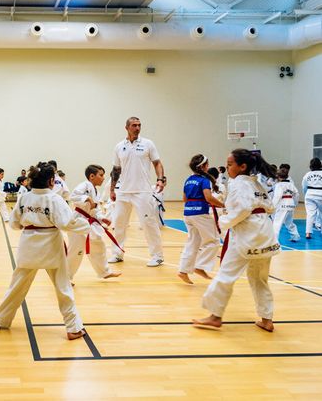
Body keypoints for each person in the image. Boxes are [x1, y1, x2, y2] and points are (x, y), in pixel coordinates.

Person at [0, 163, 89, 340]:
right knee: (63, 286)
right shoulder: (54, 199)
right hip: (51, 245)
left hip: (28, 245)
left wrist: (27, 222)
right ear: (51, 180)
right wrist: (87, 224)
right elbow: (67, 223)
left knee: (17, 285)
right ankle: (73, 327)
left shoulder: (24, 198)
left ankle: (1, 319)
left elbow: (13, 223)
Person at [193, 149, 279, 332]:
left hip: (247, 234)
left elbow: (242, 210)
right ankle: (267, 319)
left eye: (230, 164)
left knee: (226, 275)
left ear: (242, 166)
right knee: (259, 279)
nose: (228, 167)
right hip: (265, 233)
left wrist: (223, 222)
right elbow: (271, 207)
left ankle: (215, 316)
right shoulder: (256, 183)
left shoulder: (238, 184)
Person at [109, 116, 166, 267]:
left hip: (143, 191)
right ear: (126, 127)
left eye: (139, 125)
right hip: (123, 192)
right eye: (134, 125)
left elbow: (157, 163)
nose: (137, 128)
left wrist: (161, 179)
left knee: (148, 223)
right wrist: (112, 189)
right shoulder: (119, 146)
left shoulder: (148, 144)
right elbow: (116, 169)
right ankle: (117, 253)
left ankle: (157, 256)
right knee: (119, 224)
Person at [66, 165, 122, 282]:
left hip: (88, 222)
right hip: (78, 222)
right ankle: (66, 278)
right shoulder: (85, 185)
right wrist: (87, 198)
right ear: (92, 176)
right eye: (101, 175)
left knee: (98, 245)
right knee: (76, 251)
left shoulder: (95, 190)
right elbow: (73, 196)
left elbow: (94, 210)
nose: (103, 178)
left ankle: (104, 272)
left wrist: (102, 218)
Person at [177, 155, 224, 285]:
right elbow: (208, 198)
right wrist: (222, 205)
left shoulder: (188, 180)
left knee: (193, 242)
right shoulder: (204, 180)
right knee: (213, 241)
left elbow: (185, 199)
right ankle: (200, 266)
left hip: (188, 213)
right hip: (200, 213)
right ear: (203, 166)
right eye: (207, 165)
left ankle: (183, 270)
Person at [272, 168, 300, 242]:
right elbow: (296, 194)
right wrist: (295, 203)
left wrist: (272, 206)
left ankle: (274, 240)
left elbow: (277, 196)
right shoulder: (291, 185)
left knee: (277, 223)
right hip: (291, 203)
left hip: (282, 204)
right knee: (289, 222)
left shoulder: (279, 185)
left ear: (278, 176)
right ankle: (295, 236)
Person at [302, 158, 322, 239]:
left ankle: (308, 233)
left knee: (310, 215)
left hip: (310, 194)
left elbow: (304, 186)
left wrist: (306, 194)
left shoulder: (307, 174)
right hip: (321, 193)